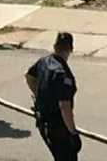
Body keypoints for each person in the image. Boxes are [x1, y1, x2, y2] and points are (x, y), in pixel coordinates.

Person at [25, 32, 82, 161]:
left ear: (55, 46)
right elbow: (64, 106)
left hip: (43, 121)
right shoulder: (62, 75)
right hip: (57, 127)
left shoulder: (44, 61)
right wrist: (73, 132)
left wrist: (40, 96)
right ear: (71, 49)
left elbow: (29, 77)